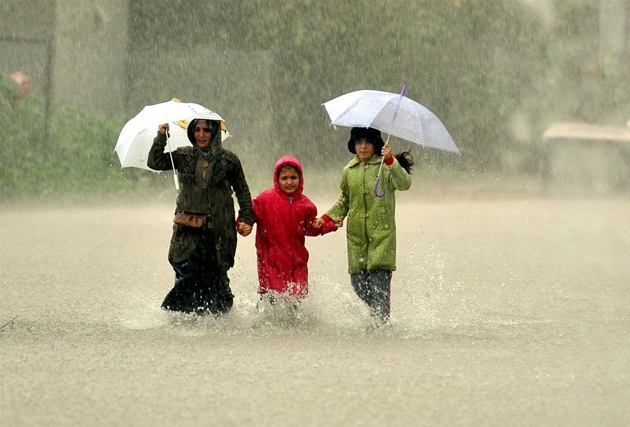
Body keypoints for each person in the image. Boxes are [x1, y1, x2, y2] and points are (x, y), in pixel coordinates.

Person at [147, 118, 254, 316]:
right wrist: (161, 136)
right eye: (197, 130)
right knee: (187, 275)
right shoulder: (183, 155)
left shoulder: (229, 160)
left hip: (219, 231)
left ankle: (221, 321)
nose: (201, 134)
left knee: (217, 277)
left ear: (214, 132)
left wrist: (246, 218)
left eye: (206, 130)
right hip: (188, 233)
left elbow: (243, 192)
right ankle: (178, 320)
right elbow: (154, 161)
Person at [314, 127, 414, 327]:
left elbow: (405, 183)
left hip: (382, 238)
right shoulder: (349, 171)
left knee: (379, 286)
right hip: (357, 238)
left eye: (367, 142)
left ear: (375, 145)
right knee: (359, 285)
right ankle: (380, 317)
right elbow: (345, 199)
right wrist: (327, 217)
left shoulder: (385, 168)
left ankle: (381, 327)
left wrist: (391, 161)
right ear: (353, 145)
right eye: (359, 142)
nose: (363, 146)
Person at [248, 155, 338, 309]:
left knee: (296, 304)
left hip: (297, 264)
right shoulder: (264, 200)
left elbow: (311, 228)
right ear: (277, 179)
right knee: (270, 302)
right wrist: (243, 224)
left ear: (300, 178)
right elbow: (247, 215)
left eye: (293, 177)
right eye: (284, 178)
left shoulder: (306, 205)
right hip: (270, 263)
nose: (289, 182)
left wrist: (330, 224)